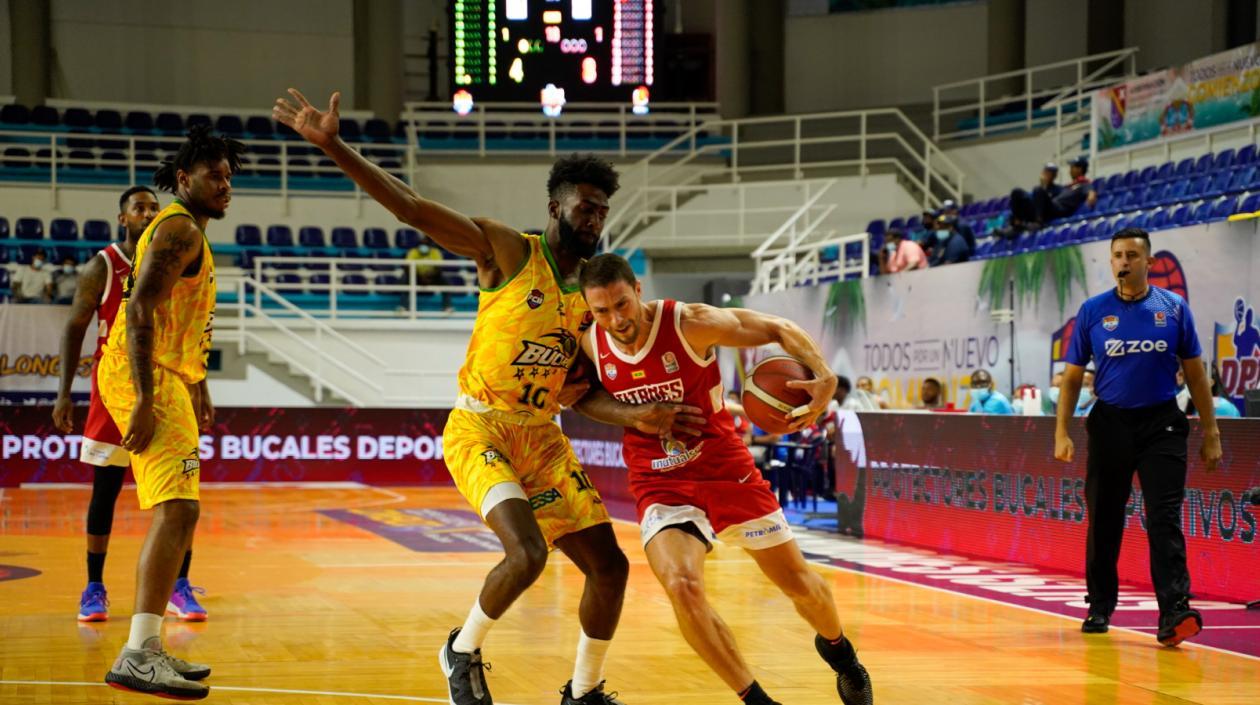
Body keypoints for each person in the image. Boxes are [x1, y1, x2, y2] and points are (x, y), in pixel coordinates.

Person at [274, 87, 696, 705]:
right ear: (555, 206)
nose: (594, 220)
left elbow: (580, 392)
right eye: (585, 207)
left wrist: (641, 416)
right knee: (526, 556)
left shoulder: (589, 297)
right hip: (480, 429)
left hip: (543, 437)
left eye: (602, 211)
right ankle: (461, 649)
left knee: (611, 568)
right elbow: (414, 208)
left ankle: (583, 691)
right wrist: (336, 147)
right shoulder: (506, 250)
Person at [573, 253, 873, 705]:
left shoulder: (689, 322)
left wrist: (825, 375)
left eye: (621, 304)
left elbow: (776, 328)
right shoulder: (590, 342)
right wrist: (637, 416)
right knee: (682, 586)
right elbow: (578, 397)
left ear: (638, 290)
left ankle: (840, 652)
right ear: (588, 308)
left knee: (800, 585)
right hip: (659, 480)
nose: (616, 319)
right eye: (601, 311)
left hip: (723, 467)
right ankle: (757, 700)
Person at [98, 127, 240, 699]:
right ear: (184, 180)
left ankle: (148, 645)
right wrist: (147, 398)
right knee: (177, 509)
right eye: (215, 175)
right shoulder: (179, 228)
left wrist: (197, 381)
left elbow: (181, 318)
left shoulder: (190, 232)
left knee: (182, 512)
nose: (226, 185)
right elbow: (137, 312)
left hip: (169, 374)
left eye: (230, 176)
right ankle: (137, 652)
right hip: (145, 376)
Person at [1054, 227, 1222, 647]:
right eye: (1117, 255)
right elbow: (1073, 379)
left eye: (1132, 255)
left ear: (1149, 262)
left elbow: (1197, 375)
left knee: (1163, 516)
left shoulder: (1174, 308)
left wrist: (1211, 430)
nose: (1124, 262)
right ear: (1111, 262)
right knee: (1105, 518)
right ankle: (1100, 605)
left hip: (1162, 423)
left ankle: (1174, 611)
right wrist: (1062, 430)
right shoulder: (1094, 311)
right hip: (1110, 423)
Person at [53, 186, 204, 626]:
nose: (149, 213)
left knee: (179, 490)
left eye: (155, 208)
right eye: (140, 208)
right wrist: (64, 392)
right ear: (124, 218)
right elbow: (74, 327)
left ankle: (179, 585)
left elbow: (187, 329)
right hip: (116, 387)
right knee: (106, 489)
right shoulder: (102, 266)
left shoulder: (175, 254)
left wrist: (202, 385)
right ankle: (94, 586)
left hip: (168, 379)